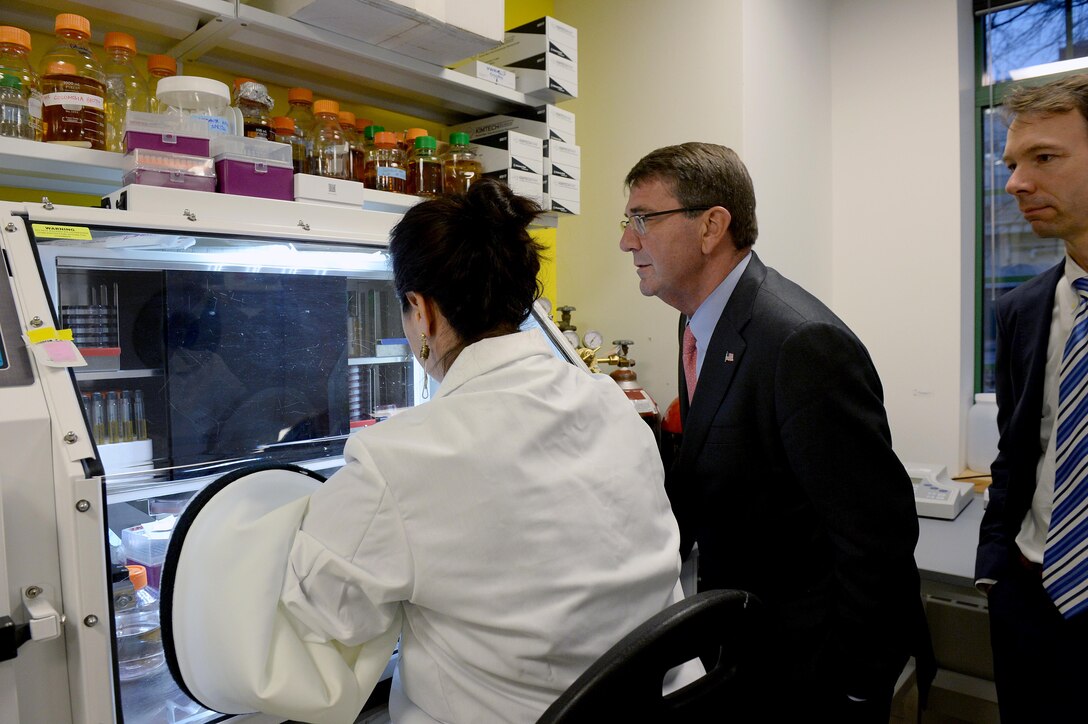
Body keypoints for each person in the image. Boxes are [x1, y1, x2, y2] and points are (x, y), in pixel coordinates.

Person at [163, 179, 694, 724]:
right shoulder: (611, 403)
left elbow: (320, 625)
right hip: (652, 703)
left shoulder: (398, 457)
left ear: (422, 311)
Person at [619, 142, 927, 719]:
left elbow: (875, 538)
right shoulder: (699, 320)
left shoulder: (800, 342)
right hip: (747, 648)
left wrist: (861, 686)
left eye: (644, 219)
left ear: (712, 226)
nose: (627, 240)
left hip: (812, 670)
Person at [975, 73, 1088, 721]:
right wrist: (995, 569)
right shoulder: (1020, 310)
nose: (1015, 182)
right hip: (1029, 594)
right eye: (1013, 163)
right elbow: (1016, 455)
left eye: (1044, 158)